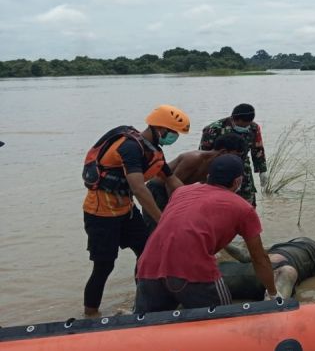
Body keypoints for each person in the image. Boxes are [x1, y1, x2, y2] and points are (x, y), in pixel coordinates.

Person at [82, 104, 190, 316]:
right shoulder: (130, 148)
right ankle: (90, 314)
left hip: (126, 211)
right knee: (104, 266)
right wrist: (163, 221)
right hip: (101, 214)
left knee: (147, 254)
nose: (173, 138)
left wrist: (194, 200)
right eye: (172, 133)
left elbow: (171, 179)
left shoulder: (153, 151)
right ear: (160, 129)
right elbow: (139, 188)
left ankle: (143, 302)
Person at [134, 155, 278, 312]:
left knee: (144, 326)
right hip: (194, 272)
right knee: (224, 320)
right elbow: (259, 258)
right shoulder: (243, 208)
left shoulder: (181, 192)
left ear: (209, 176)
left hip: (148, 268)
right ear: (237, 182)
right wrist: (273, 295)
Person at [220, 209, 315, 300]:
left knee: (288, 272)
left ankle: (272, 308)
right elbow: (245, 255)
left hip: (282, 272)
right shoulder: (281, 246)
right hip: (260, 267)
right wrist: (221, 241)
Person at [143, 133, 247, 233]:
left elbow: (209, 190)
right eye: (237, 155)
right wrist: (176, 212)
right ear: (223, 152)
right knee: (158, 230)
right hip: (158, 190)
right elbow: (170, 185)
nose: (238, 159)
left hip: (178, 191)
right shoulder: (194, 159)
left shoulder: (216, 166)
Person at [200, 103, 267, 207]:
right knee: (219, 203)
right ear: (236, 119)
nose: (246, 127)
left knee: (247, 203)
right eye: (244, 125)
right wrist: (203, 179)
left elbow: (257, 149)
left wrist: (262, 170)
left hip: (243, 169)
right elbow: (203, 155)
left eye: (248, 124)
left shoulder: (253, 127)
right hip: (219, 172)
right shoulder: (213, 129)